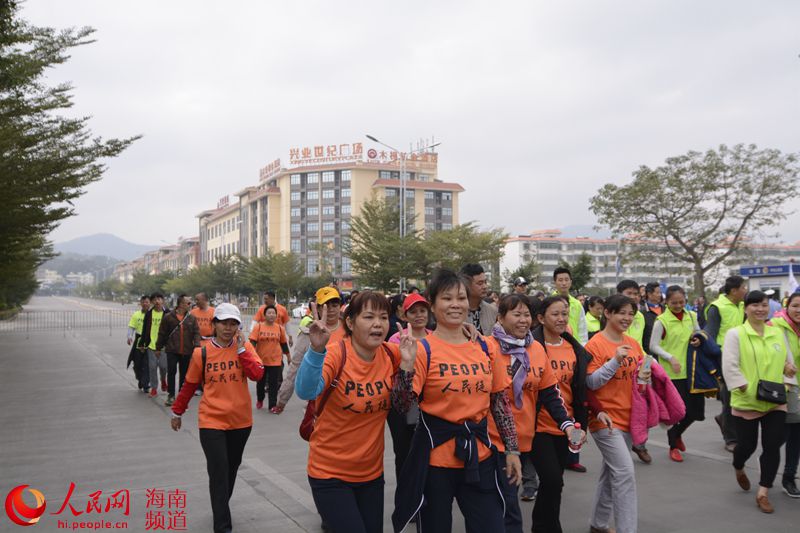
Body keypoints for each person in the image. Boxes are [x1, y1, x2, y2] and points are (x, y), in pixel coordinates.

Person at [392, 269, 522, 533]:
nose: (455, 304)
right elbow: (402, 405)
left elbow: (499, 402)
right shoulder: (423, 349)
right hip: (435, 462)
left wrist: (512, 450)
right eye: (446, 298)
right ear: (433, 304)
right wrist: (405, 365)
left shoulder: (486, 346)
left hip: (480, 457)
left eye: (461, 298)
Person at [295, 291, 414, 533]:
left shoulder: (392, 355)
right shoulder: (336, 354)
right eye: (368, 317)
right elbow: (306, 391)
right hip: (330, 474)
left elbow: (403, 405)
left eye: (383, 317)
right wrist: (316, 351)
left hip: (371, 475)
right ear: (350, 322)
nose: (378, 324)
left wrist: (407, 368)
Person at [487, 294, 581, 533]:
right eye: (516, 314)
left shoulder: (536, 349)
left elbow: (550, 393)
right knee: (508, 508)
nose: (523, 320)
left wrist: (567, 424)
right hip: (496, 441)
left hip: (528, 433)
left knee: (549, 482)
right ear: (500, 317)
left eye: (526, 314)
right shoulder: (488, 347)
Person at [169, 303, 264, 533]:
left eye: (233, 324)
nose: (228, 328)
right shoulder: (201, 352)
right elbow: (189, 384)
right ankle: (222, 525)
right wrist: (177, 411)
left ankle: (220, 503)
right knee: (219, 470)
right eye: (224, 323)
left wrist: (242, 351)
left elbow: (258, 374)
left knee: (231, 469)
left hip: (241, 422)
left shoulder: (245, 347)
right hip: (211, 421)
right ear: (214, 324)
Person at [532, 296, 606, 533]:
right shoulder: (531, 346)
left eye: (564, 313)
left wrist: (596, 411)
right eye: (555, 314)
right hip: (538, 425)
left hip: (568, 426)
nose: (561, 318)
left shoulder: (574, 348)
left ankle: (540, 526)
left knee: (554, 483)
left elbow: (580, 388)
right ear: (541, 318)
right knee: (553, 479)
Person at [722, 290, 797, 513]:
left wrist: (787, 377)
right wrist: (743, 386)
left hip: (775, 400)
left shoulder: (777, 334)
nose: (760, 309)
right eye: (755, 305)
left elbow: (788, 363)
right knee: (747, 445)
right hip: (747, 400)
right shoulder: (736, 334)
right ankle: (738, 465)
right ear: (746, 308)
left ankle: (763, 491)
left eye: (764, 305)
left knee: (773, 445)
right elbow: (730, 365)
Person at [585, 294, 649, 533]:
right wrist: (614, 361)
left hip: (629, 417)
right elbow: (590, 382)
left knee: (611, 474)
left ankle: (598, 524)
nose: (627, 318)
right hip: (605, 420)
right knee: (624, 474)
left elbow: (638, 377)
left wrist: (645, 378)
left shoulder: (633, 343)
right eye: (622, 312)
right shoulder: (595, 344)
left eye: (631, 313)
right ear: (607, 313)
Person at [648, 285, 703, 462]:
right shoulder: (661, 321)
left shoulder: (692, 316)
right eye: (674, 302)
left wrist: (697, 339)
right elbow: (653, 346)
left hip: (692, 371)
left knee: (695, 412)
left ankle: (678, 434)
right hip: (672, 373)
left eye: (681, 302)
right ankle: (673, 445)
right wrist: (670, 357)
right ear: (666, 302)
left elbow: (698, 334)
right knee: (677, 413)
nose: (678, 305)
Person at [273, 289, 344, 415]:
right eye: (326, 306)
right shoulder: (309, 333)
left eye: (335, 305)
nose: (331, 309)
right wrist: (282, 399)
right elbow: (295, 366)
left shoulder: (351, 329)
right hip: (320, 396)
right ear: (318, 309)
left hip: (348, 394)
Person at [706, 275, 747, 452]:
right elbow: (711, 335)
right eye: (743, 288)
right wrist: (715, 361)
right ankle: (730, 438)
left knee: (739, 394)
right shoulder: (717, 307)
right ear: (734, 291)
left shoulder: (743, 305)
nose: (745, 290)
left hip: (742, 355)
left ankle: (724, 418)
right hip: (723, 356)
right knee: (729, 397)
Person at [771, 292, 800, 497]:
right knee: (783, 434)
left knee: (796, 435)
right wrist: (784, 365)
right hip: (787, 386)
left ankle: (788, 477)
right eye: (796, 306)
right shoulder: (775, 326)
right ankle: (768, 461)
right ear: (787, 307)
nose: (799, 311)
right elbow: (768, 353)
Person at [157, 294, 201, 406]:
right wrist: (158, 348)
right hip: (172, 350)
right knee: (171, 372)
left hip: (186, 350)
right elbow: (162, 333)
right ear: (181, 304)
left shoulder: (191, 318)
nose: (191, 305)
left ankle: (181, 396)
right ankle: (171, 395)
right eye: (189, 303)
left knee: (184, 374)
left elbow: (196, 333)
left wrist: (196, 346)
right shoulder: (168, 317)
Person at [249, 304, 290, 411]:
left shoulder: (280, 329)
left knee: (273, 384)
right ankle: (260, 399)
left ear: (276, 315)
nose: (271, 315)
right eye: (269, 313)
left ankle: (272, 405)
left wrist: (289, 357)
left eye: (273, 313)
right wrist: (251, 356)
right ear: (265, 315)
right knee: (260, 383)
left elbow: (283, 344)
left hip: (275, 360)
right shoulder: (258, 327)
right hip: (261, 360)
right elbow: (252, 342)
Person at [138, 292, 169, 399]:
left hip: (164, 346)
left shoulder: (168, 313)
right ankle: (154, 388)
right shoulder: (149, 314)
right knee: (152, 367)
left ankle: (163, 380)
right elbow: (144, 329)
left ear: (163, 301)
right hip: (151, 345)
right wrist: (142, 343)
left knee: (164, 367)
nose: (157, 301)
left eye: (159, 299)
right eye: (154, 299)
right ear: (152, 302)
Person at [552, 266, 588, 344]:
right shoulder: (549, 303)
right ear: (555, 282)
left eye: (566, 280)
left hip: (575, 345)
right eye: (560, 280)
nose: (564, 283)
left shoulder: (577, 304)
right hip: (555, 344)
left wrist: (583, 346)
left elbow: (582, 329)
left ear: (571, 282)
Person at [461, 263, 498, 335]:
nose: (485, 286)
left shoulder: (492, 310)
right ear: (467, 285)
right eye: (480, 283)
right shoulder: (456, 311)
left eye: (485, 282)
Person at [126, 295, 150, 392]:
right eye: (143, 302)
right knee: (137, 363)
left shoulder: (153, 314)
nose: (145, 304)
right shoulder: (136, 315)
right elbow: (131, 327)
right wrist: (129, 337)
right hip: (138, 340)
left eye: (147, 302)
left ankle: (145, 384)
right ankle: (140, 379)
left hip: (149, 341)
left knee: (147, 364)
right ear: (140, 303)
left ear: (150, 303)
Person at [617, 280, 646, 351]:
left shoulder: (640, 316)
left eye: (635, 294)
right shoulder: (613, 315)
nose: (633, 297)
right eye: (629, 293)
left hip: (637, 358)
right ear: (619, 294)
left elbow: (639, 344)